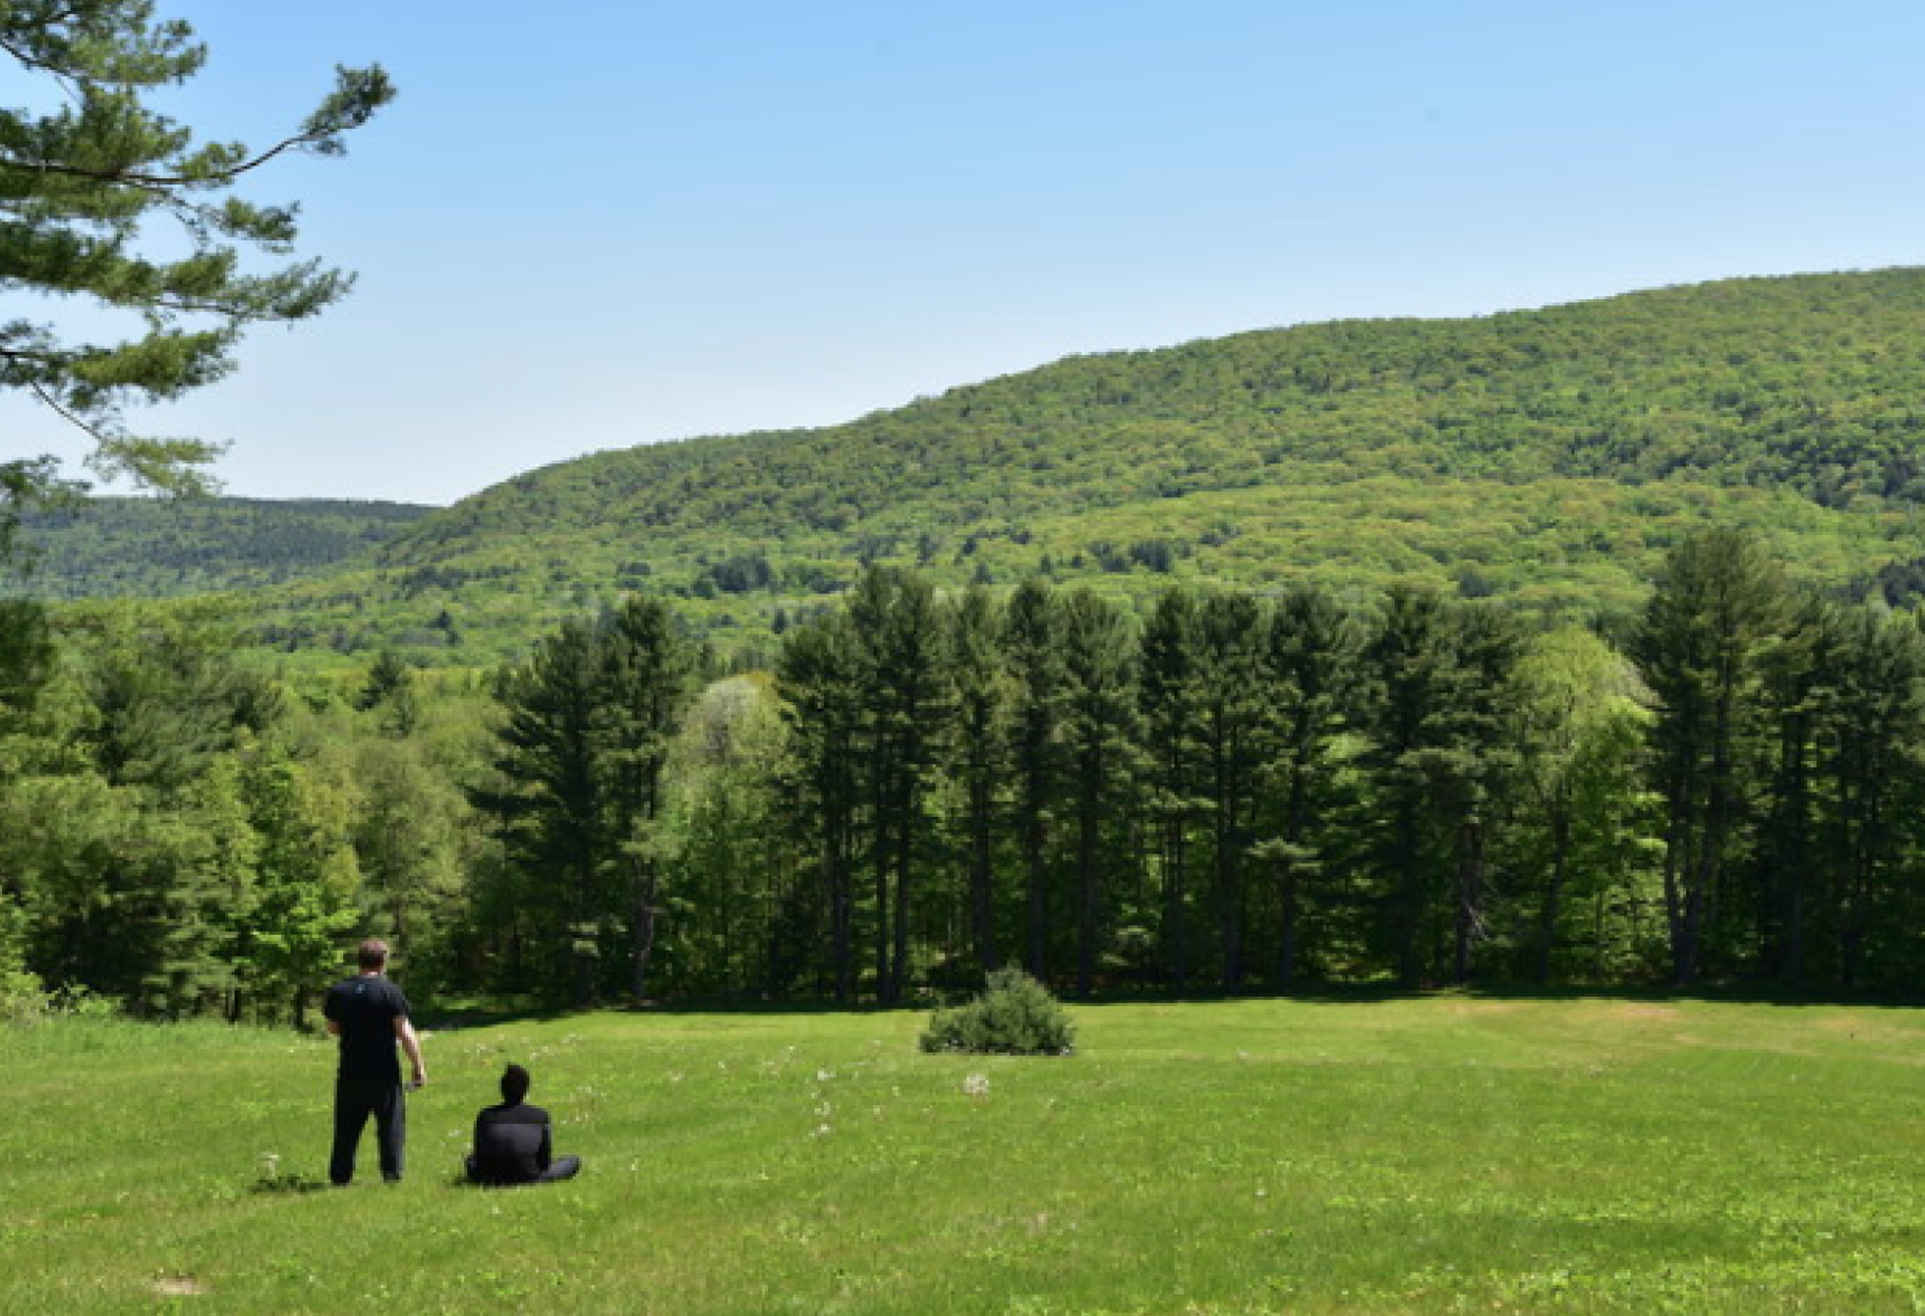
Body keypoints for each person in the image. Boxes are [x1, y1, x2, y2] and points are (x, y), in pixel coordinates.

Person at [323, 937, 426, 1185]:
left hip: (350, 1070)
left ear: (359, 960)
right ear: (383, 962)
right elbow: (404, 1032)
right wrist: (418, 1065)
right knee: (390, 1126)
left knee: (346, 1128)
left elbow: (333, 1028)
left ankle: (340, 1176)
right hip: (384, 1072)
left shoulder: (340, 991)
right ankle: (392, 1174)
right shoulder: (389, 992)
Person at [466, 1063, 582, 1186]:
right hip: (529, 1176)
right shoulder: (540, 1116)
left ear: (502, 1089)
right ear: (525, 1089)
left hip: (490, 1177)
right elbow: (544, 1162)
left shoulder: (485, 1116)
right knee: (573, 1161)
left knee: (469, 1161)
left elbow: (479, 1156)